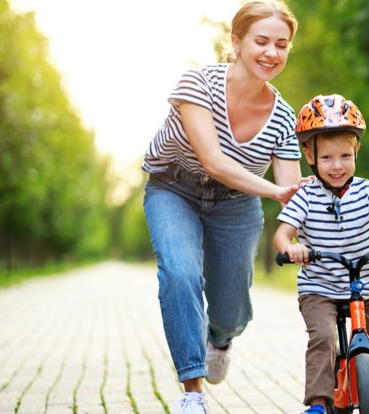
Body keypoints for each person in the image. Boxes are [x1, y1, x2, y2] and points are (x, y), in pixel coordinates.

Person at [141, 1, 308, 413]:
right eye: (261, 41)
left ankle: (221, 340)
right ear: (236, 41)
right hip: (174, 188)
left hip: (236, 204)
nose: (271, 52)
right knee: (179, 272)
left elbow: (291, 191)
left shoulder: (283, 118)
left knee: (231, 309)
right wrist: (275, 191)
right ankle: (193, 392)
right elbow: (213, 160)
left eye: (281, 45)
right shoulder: (197, 83)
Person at [273, 94, 369, 414]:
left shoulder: (366, 190)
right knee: (324, 340)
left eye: (345, 155)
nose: (337, 165)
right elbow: (282, 235)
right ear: (309, 156)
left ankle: (358, 376)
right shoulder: (305, 195)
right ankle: (318, 403)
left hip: (361, 287)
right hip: (319, 288)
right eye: (327, 158)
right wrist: (291, 248)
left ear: (356, 151)